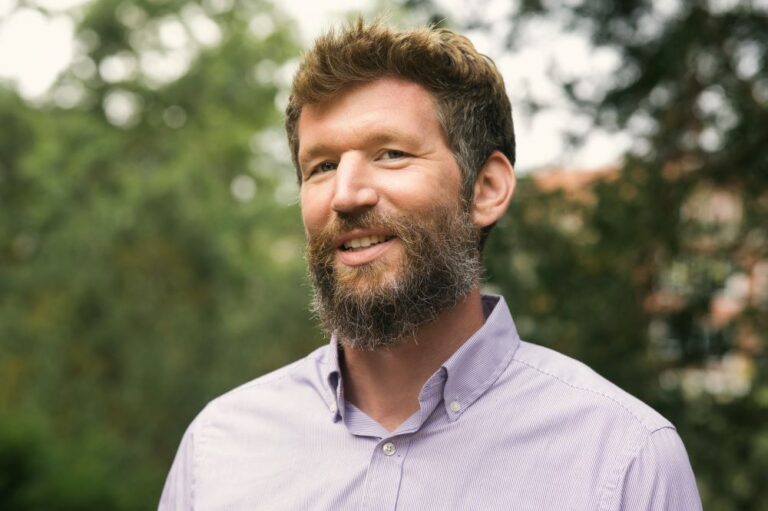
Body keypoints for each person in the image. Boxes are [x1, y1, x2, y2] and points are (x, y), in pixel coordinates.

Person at [159, 20, 702, 510]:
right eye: (321, 166)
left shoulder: (624, 458)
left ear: (486, 189)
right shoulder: (217, 449)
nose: (344, 195)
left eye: (390, 153)